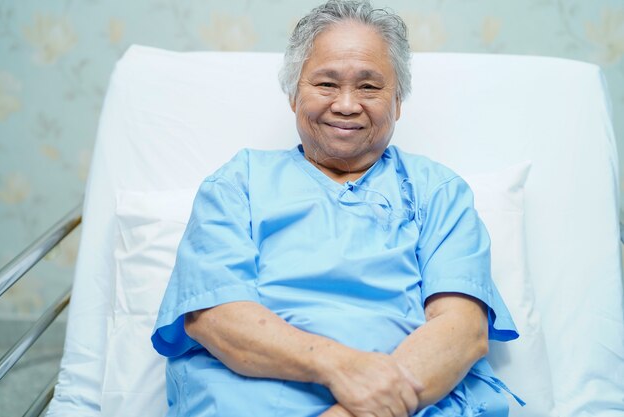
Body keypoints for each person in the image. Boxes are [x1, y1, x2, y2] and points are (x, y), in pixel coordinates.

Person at [152, 1, 523, 416]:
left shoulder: (438, 191)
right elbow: (216, 319)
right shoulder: (237, 185)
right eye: (326, 84)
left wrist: (353, 411)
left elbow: (461, 331)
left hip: (410, 402)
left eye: (369, 87)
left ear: (397, 101)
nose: (346, 104)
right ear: (294, 95)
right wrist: (342, 367)